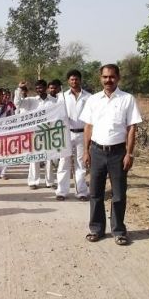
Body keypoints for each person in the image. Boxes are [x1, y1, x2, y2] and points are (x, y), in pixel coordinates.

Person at [80, 63, 142, 246]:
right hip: (97, 152)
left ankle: (119, 231)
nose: (108, 80)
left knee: (119, 194)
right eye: (105, 77)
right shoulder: (93, 100)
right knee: (95, 193)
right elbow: (88, 127)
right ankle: (96, 229)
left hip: (118, 153)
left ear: (118, 78)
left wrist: (129, 154)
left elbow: (132, 128)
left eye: (112, 77)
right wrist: (86, 151)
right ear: (100, 79)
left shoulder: (127, 99)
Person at [55, 70, 91, 201]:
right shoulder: (62, 96)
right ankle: (61, 191)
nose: (74, 82)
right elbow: (56, 115)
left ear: (80, 80)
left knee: (81, 163)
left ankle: (81, 191)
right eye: (71, 79)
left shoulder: (88, 97)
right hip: (67, 133)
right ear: (68, 81)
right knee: (64, 162)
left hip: (83, 133)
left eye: (76, 79)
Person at [27, 80, 57, 189]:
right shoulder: (32, 101)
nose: (39, 90)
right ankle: (33, 182)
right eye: (37, 88)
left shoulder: (54, 101)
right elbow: (18, 103)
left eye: (41, 88)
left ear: (46, 88)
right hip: (35, 133)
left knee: (49, 158)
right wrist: (20, 89)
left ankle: (50, 182)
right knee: (34, 158)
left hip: (49, 132)